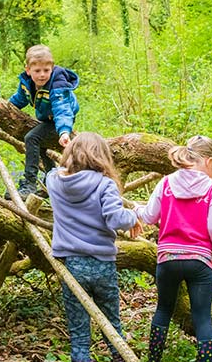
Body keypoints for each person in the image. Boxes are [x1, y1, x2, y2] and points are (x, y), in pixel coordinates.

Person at [134, 135, 212, 362]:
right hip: (199, 262)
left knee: (163, 310)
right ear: (209, 161)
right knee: (202, 318)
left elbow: (150, 216)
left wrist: (135, 210)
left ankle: (153, 359)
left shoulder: (166, 182)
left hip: (168, 258)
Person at [46, 132, 143, 362]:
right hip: (102, 265)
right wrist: (133, 216)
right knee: (112, 326)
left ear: (70, 154)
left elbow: (53, 170)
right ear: (102, 156)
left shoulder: (54, 181)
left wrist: (69, 150)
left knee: (79, 335)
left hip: (72, 266)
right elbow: (115, 219)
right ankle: (119, 358)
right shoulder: (105, 184)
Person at [8, 44, 79, 199]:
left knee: (31, 138)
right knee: (39, 144)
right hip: (46, 119)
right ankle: (50, 180)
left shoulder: (57, 84)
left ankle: (29, 183)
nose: (42, 75)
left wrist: (64, 131)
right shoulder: (27, 82)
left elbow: (62, 109)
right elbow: (20, 99)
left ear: (52, 68)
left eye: (46, 70)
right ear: (28, 70)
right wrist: (2, 105)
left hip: (61, 120)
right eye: (37, 71)